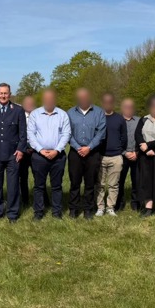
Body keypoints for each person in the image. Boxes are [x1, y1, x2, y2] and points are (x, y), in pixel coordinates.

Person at [0, 83, 27, 222]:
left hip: (13, 155)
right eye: (1, 93)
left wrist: (20, 150)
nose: (3, 96)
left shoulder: (18, 110)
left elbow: (23, 133)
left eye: (5, 93)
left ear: (10, 94)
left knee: (13, 186)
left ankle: (12, 213)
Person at [27, 89, 71, 220]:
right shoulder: (35, 114)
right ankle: (38, 212)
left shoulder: (62, 114)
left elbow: (66, 134)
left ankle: (56, 212)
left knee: (57, 186)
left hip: (58, 156)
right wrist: (40, 149)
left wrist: (57, 150)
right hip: (39, 156)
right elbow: (30, 134)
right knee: (39, 186)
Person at [67, 88, 106, 219]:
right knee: (74, 182)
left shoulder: (99, 112)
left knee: (90, 183)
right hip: (75, 152)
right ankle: (73, 209)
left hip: (93, 153)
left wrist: (89, 147)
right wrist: (78, 148)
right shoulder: (70, 113)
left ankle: (88, 209)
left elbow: (101, 133)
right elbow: (67, 133)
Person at [95, 93, 127, 217]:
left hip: (116, 157)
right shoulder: (98, 118)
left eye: (110, 102)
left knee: (114, 185)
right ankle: (100, 207)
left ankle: (110, 207)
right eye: (105, 102)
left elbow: (124, 138)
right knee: (100, 184)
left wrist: (118, 150)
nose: (107, 104)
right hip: (100, 156)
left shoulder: (119, 119)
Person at [117, 98, 140, 211]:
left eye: (131, 106)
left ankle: (135, 202)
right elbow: (115, 139)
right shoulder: (118, 121)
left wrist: (137, 152)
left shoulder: (139, 121)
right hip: (122, 155)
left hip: (137, 155)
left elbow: (143, 137)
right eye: (126, 106)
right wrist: (125, 153)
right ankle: (119, 202)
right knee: (119, 180)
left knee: (137, 180)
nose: (128, 109)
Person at [19, 95, 36, 207]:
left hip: (36, 151)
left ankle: (43, 200)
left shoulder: (39, 116)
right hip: (23, 151)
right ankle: (25, 201)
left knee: (39, 177)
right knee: (22, 177)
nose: (29, 105)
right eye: (27, 103)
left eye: (31, 103)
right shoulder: (18, 116)